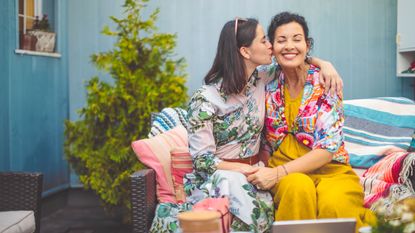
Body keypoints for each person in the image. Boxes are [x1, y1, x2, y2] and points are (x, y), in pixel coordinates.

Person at [186, 17, 343, 232]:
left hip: (257, 172)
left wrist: (325, 64)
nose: (271, 46)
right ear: (245, 52)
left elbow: (293, 57)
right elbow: (202, 161)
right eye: (264, 41)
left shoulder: (260, 78)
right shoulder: (205, 99)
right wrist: (247, 169)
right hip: (227, 173)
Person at [246, 12, 375, 232]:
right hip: (287, 170)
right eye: (281, 40)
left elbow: (328, 148)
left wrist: (324, 64)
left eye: (297, 39)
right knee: (297, 189)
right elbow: (237, 65)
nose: (289, 46)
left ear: (307, 44)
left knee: (336, 205)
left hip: (331, 170)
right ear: (272, 48)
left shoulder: (325, 81)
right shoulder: (266, 78)